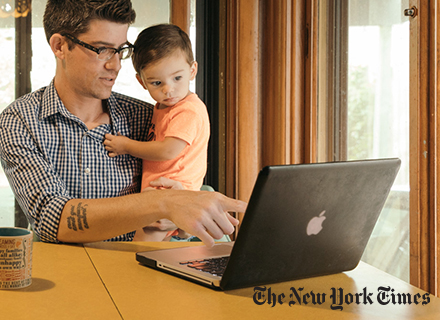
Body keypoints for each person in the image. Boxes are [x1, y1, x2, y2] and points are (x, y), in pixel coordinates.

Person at [0, 0, 246, 247]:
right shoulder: (19, 121)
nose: (115, 65)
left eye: (121, 50)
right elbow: (52, 219)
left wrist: (178, 221)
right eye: (103, 50)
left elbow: (181, 197)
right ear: (60, 46)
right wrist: (162, 203)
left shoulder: (146, 117)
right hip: (65, 279)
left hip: (141, 275)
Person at [103, 24, 209, 242]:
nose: (168, 89)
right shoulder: (164, 108)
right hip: (165, 190)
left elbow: (169, 150)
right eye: (157, 83)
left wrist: (126, 146)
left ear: (192, 70)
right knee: (156, 257)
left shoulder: (187, 109)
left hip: (170, 190)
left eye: (177, 78)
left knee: (139, 251)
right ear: (142, 82)